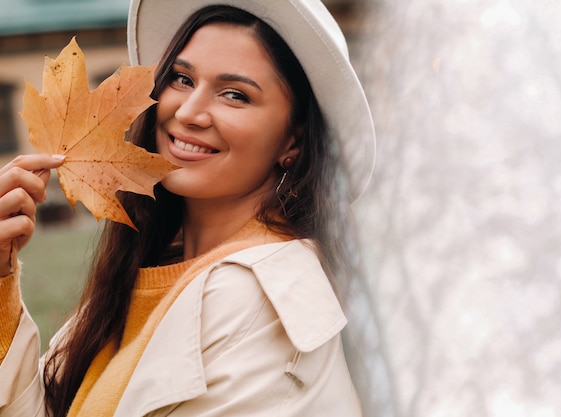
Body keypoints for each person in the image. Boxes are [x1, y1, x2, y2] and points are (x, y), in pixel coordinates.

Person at [0, 0, 376, 416]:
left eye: (235, 95)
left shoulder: (261, 298)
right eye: (182, 79)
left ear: (293, 143)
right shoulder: (140, 276)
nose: (189, 112)